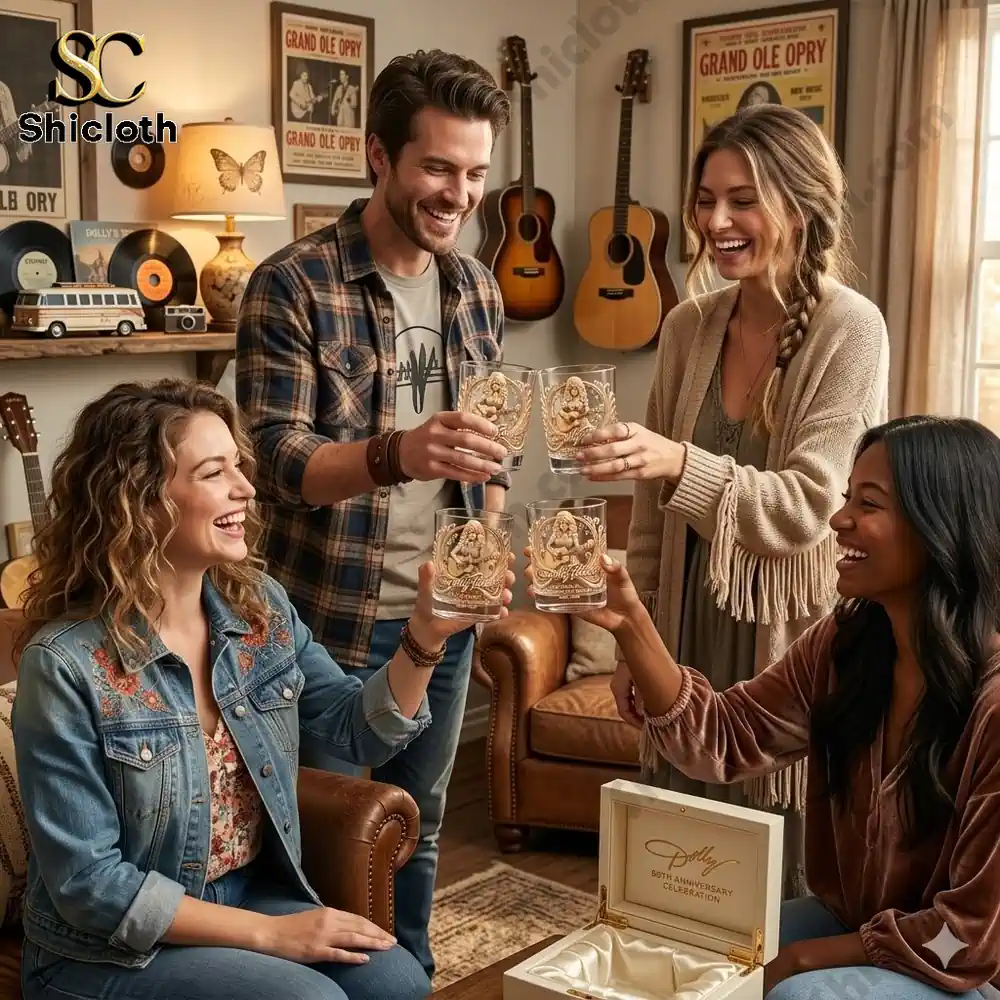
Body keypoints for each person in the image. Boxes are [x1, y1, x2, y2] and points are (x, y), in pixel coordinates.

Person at [11, 379, 514, 1000]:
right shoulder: (64, 665)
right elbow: (90, 884)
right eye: (213, 472)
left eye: (238, 467)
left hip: (242, 895)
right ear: (139, 502)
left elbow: (359, 730)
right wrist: (271, 936)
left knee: (397, 981)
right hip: (103, 953)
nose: (245, 488)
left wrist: (426, 635)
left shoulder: (258, 611)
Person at [539, 415, 1000, 999]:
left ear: (941, 525)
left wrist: (805, 959)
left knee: (791, 994)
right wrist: (632, 622)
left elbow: (969, 937)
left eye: (870, 503)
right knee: (687, 945)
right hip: (856, 922)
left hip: (964, 971)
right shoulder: (844, 646)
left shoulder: (993, 703)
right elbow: (723, 739)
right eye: (846, 497)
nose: (839, 520)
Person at [235, 49, 511, 979]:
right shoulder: (293, 283)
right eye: (437, 168)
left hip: (440, 615)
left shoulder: (477, 288)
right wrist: (399, 452)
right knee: (318, 829)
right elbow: (273, 460)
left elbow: (490, 452)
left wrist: (490, 546)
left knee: (418, 825)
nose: (458, 194)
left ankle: (411, 979)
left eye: (474, 174)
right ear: (378, 157)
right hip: (326, 615)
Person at [575, 103, 890, 899]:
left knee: (768, 881)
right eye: (706, 198)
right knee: (676, 874)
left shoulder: (851, 330)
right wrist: (633, 647)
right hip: (683, 629)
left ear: (800, 203)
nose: (717, 220)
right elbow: (651, 515)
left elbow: (809, 506)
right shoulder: (687, 326)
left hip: (788, 644)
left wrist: (680, 459)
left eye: (742, 199)